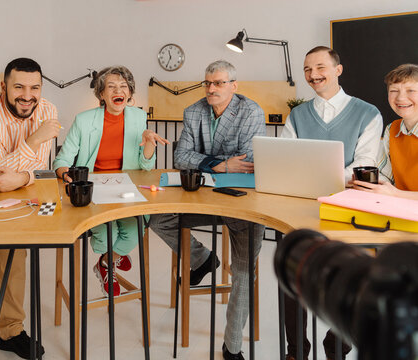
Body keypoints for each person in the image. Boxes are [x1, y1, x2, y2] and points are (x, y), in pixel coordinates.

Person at [149, 60, 266, 360]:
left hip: (241, 200)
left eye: (219, 83)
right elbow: (180, 157)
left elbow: (250, 161)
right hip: (202, 196)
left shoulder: (250, 111)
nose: (211, 88)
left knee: (243, 270)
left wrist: (206, 161)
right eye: (208, 83)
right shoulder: (193, 111)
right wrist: (222, 163)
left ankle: (232, 346)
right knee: (158, 218)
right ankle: (203, 259)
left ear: (233, 86)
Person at [280, 46, 383, 360]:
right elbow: (285, 157)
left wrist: (316, 176)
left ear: (339, 69)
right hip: (304, 209)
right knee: (292, 271)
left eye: (320, 67)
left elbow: (365, 166)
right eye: (307, 69)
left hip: (351, 214)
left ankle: (337, 344)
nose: (313, 75)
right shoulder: (297, 115)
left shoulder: (369, 113)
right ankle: (297, 351)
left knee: (351, 280)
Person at [0, 57, 59, 359]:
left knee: (15, 258)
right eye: (19, 86)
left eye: (35, 87)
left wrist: (20, 176)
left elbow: (41, 170)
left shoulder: (48, 110)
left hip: (22, 193)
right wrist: (35, 139)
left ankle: (11, 331)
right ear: (4, 86)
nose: (27, 95)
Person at [54, 65, 168, 296]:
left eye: (124, 86)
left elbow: (145, 166)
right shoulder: (84, 120)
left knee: (135, 231)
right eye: (112, 87)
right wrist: (67, 175)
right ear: (102, 94)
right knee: (107, 236)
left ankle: (105, 264)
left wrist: (148, 142)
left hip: (127, 187)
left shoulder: (138, 116)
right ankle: (113, 257)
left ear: (129, 93)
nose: (119, 91)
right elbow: (62, 159)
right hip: (94, 189)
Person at [353, 63, 418, 200]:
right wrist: (371, 185)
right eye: (394, 91)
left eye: (410, 90)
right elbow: (387, 176)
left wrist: (395, 194)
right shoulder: (391, 129)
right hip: (400, 209)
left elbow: (394, 192)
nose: (400, 98)